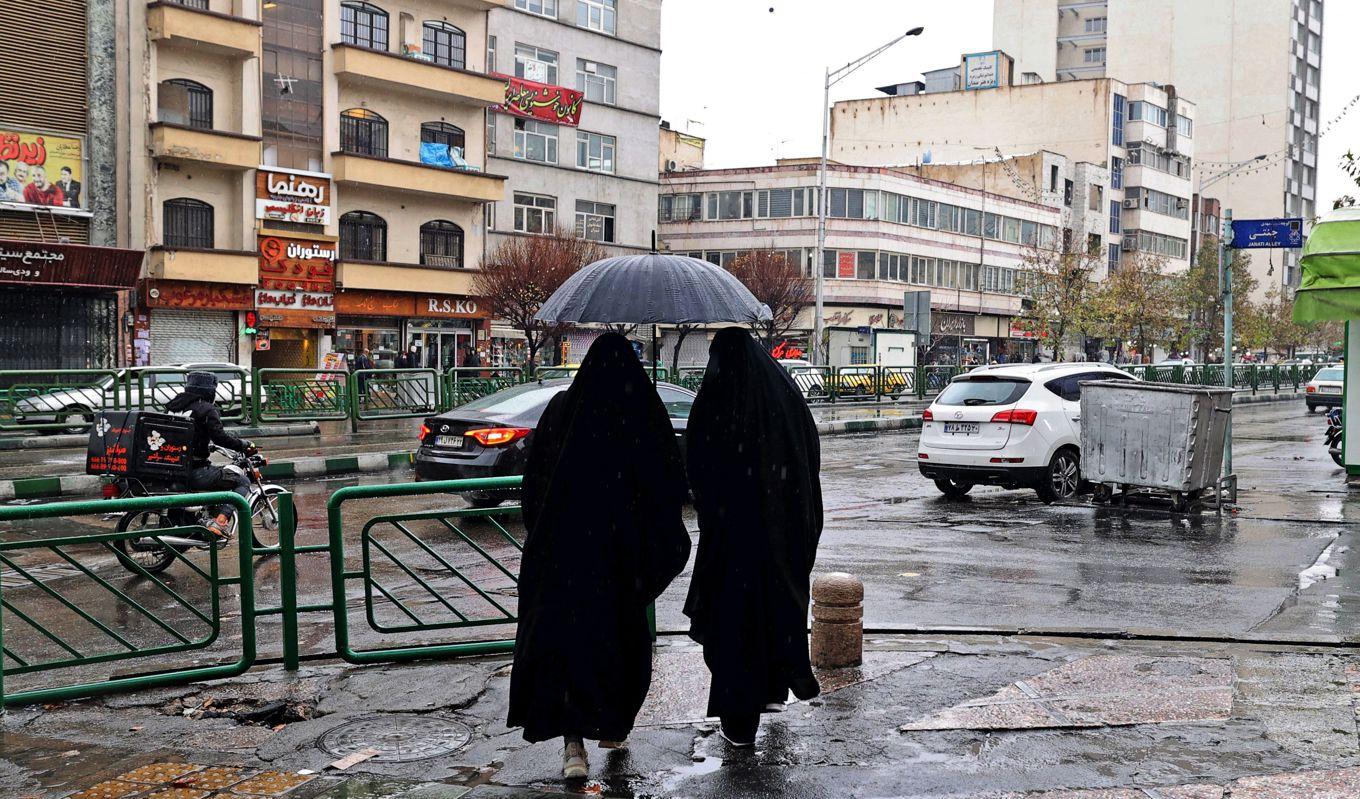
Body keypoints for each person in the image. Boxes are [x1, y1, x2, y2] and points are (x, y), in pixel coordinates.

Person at [508, 332, 690, 779]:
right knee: (619, 647)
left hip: (563, 558)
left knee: (568, 649)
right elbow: (668, 487)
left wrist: (549, 536)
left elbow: (533, 485)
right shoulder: (643, 412)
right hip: (620, 562)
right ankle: (614, 725)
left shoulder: (561, 410)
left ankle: (574, 747)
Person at [683, 328, 824, 747]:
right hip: (780, 539)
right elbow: (807, 459)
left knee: (732, 629)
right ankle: (773, 688)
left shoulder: (717, 399)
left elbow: (699, 465)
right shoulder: (783, 394)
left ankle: (738, 716)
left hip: (731, 542)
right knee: (773, 615)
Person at [165, 372, 255, 539]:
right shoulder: (206, 409)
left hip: (171, 469)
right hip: (195, 471)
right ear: (209, 391)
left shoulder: (173, 406)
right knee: (242, 481)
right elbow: (220, 436)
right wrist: (242, 444)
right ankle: (220, 522)